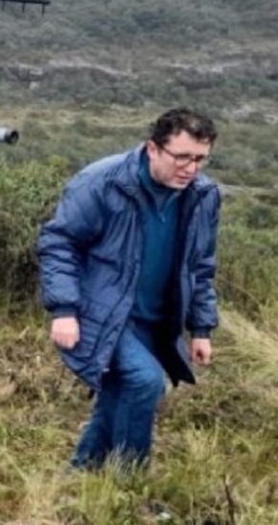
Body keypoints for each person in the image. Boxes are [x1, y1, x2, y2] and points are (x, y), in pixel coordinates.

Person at [37, 108, 221, 469]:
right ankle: (130, 481)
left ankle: (83, 472)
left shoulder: (203, 195)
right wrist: (64, 310)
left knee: (120, 393)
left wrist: (201, 329)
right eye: (181, 157)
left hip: (156, 319)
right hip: (102, 312)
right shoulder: (102, 182)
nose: (191, 168)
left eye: (200, 159)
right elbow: (59, 243)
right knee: (145, 381)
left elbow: (201, 264)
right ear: (153, 148)